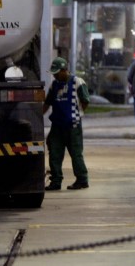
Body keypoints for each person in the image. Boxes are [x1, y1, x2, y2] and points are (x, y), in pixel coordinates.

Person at [43, 57, 90, 190]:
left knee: (76, 153)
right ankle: (56, 181)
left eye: (57, 73)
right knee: (54, 153)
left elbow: (85, 100)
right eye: (54, 73)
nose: (56, 76)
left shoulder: (77, 82)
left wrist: (77, 114)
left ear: (64, 70)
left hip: (73, 125)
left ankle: (82, 180)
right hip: (57, 125)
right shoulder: (54, 85)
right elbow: (47, 103)